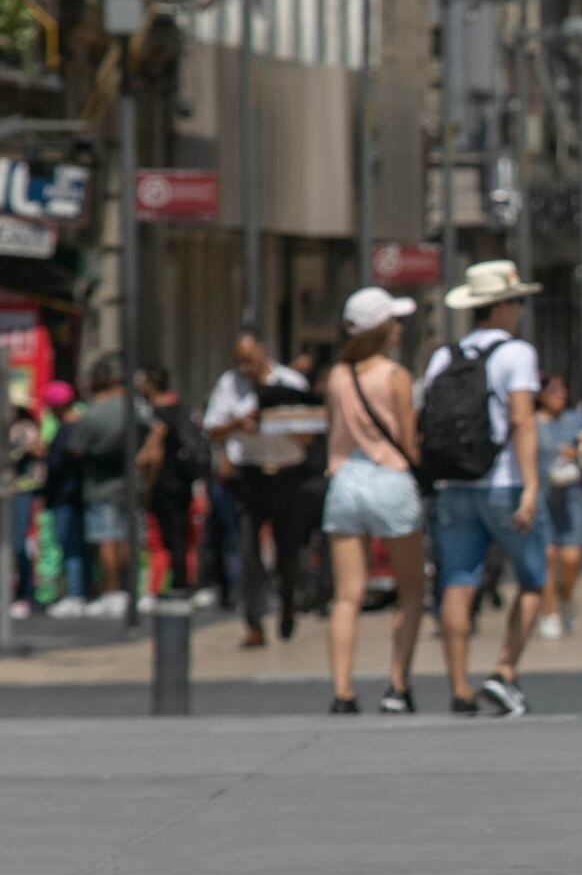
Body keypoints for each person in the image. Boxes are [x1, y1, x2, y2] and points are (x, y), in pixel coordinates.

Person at [423, 261, 547, 717]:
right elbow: (522, 421)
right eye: (517, 302)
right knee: (533, 579)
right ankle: (504, 671)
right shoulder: (517, 354)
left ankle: (459, 687)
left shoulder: (444, 356)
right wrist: (532, 486)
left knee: (457, 581)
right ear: (501, 307)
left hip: (454, 484)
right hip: (505, 482)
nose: (519, 311)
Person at [319, 287, 426, 715]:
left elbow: (334, 433)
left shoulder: (337, 375)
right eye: (394, 322)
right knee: (411, 588)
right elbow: (406, 439)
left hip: (345, 480)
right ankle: (397, 686)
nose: (399, 329)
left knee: (347, 595)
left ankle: (342, 690)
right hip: (389, 479)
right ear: (382, 329)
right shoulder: (395, 376)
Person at [202, 333, 321, 646]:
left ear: (263, 354)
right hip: (250, 476)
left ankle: (287, 603)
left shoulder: (291, 382)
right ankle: (253, 621)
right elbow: (212, 428)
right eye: (240, 361)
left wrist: (276, 422)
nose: (245, 367)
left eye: (250, 360)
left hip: (287, 474)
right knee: (247, 550)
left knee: (288, 550)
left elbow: (310, 433)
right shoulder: (229, 385)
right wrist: (238, 424)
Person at [67, 357, 162, 619]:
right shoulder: (133, 407)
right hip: (130, 482)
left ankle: (112, 591)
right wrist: (146, 452)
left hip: (99, 483)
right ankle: (131, 589)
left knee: (105, 538)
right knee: (128, 536)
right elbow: (156, 428)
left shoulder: (93, 412)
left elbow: (75, 449)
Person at [137, 366, 205, 603]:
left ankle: (170, 586)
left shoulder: (155, 415)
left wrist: (145, 485)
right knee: (181, 536)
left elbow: (152, 457)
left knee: (163, 539)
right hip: (184, 481)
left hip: (163, 483)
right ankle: (183, 583)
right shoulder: (183, 409)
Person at [534, 371, 582, 638]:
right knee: (546, 557)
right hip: (541, 498)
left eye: (562, 390)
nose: (558, 396)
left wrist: (578, 452)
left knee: (571, 560)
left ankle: (565, 598)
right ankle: (549, 612)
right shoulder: (530, 424)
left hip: (572, 499)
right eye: (552, 390)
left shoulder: (575, 421)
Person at [41, 382, 90, 617]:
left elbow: (57, 465)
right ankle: (79, 591)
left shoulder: (67, 429)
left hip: (65, 496)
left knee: (70, 546)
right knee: (75, 546)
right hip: (73, 496)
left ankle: (76, 593)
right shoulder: (80, 425)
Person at [7, 383, 44, 619]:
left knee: (19, 544)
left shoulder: (24, 429)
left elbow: (29, 453)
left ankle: (26, 595)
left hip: (21, 492)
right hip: (13, 492)